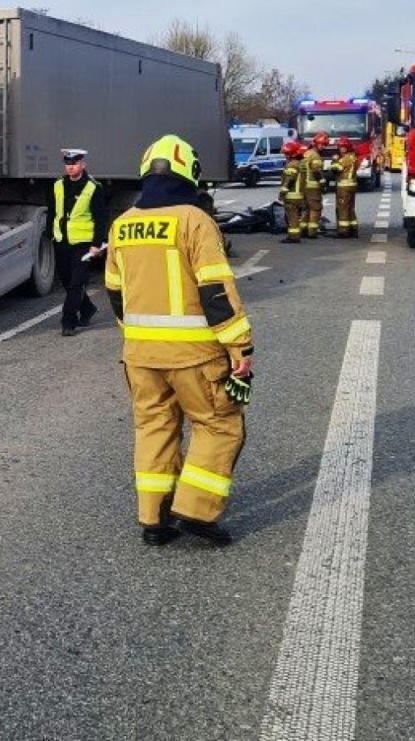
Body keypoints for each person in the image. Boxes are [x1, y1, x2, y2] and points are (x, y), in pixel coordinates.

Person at [104, 134, 254, 546]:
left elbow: (115, 293)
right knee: (219, 425)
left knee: (154, 427)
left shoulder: (122, 225)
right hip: (195, 355)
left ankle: (154, 519)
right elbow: (215, 292)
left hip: (139, 355)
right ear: (190, 172)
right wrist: (240, 347)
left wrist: (137, 338)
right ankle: (195, 510)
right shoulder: (194, 220)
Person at [47, 148, 109, 336]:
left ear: (83, 165)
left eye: (74, 164)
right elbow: (52, 211)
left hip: (83, 242)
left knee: (76, 283)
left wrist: (97, 244)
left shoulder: (93, 187)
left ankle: (68, 321)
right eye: (68, 164)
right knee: (66, 281)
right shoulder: (57, 185)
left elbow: (100, 218)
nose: (71, 167)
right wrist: (50, 234)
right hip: (62, 241)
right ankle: (88, 308)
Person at [302, 132, 329, 238]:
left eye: (324, 145)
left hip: (304, 186)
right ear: (316, 144)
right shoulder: (315, 156)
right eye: (322, 145)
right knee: (315, 209)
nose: (323, 147)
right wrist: (323, 184)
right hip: (313, 187)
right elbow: (316, 171)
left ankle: (303, 230)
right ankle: (312, 232)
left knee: (306, 209)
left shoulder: (307, 153)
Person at [278, 141, 306, 244]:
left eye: (286, 154)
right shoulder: (301, 164)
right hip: (299, 195)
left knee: (292, 216)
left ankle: (293, 237)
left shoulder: (292, 165)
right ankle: (295, 235)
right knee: (296, 216)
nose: (285, 156)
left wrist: (282, 193)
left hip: (292, 195)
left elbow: (289, 180)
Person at [332, 136, 359, 238]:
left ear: (346, 147)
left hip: (344, 187)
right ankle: (353, 229)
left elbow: (336, 169)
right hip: (352, 185)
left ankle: (343, 231)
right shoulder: (353, 157)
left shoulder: (345, 159)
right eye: (340, 147)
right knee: (350, 208)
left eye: (342, 147)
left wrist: (334, 160)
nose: (340, 149)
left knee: (342, 208)